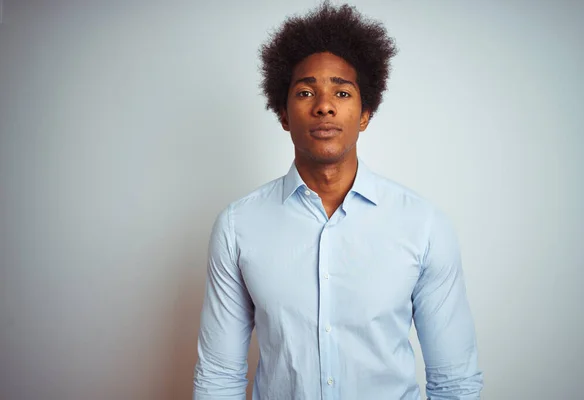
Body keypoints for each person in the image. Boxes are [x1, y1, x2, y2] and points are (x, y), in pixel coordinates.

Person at [193, 2, 483, 399]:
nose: (324, 105)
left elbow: (454, 381)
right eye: (306, 91)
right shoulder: (238, 226)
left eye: (342, 92)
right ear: (282, 113)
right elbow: (219, 375)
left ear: (365, 114)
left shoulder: (423, 225)